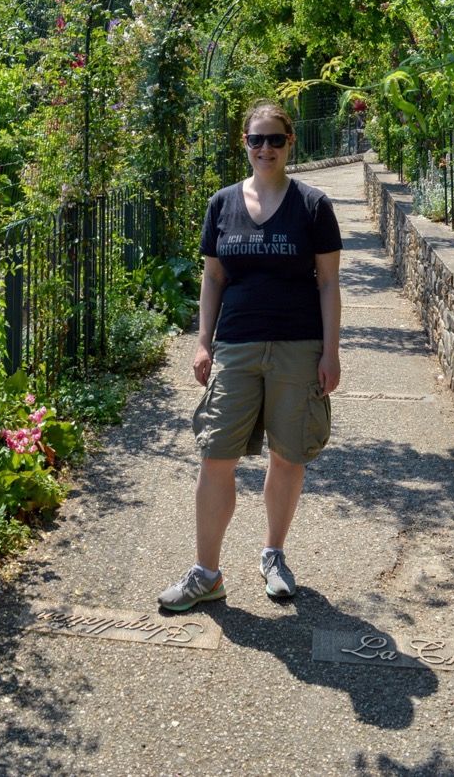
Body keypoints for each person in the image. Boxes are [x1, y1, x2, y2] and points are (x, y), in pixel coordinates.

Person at [158, 100, 342, 612]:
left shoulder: (313, 206)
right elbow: (213, 276)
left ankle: (274, 556)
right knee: (216, 455)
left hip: (298, 347)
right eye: (255, 140)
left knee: (288, 455)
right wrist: (202, 342)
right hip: (235, 346)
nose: (265, 149)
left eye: (275, 140)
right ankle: (206, 574)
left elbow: (328, 283)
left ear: (290, 145)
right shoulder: (222, 204)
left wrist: (331, 351)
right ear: (244, 144)